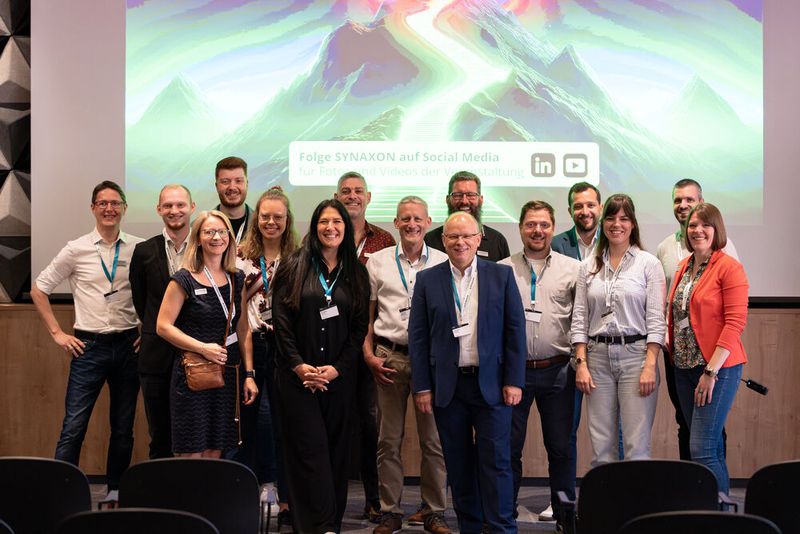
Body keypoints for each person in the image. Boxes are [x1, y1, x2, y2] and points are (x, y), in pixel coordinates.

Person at [410, 212, 526, 534]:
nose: (460, 242)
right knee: (459, 467)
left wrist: (514, 380)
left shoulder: (501, 276)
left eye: (466, 236)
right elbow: (418, 338)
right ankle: (470, 528)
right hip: (449, 389)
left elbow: (514, 331)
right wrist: (421, 387)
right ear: (443, 241)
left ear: (479, 239)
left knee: (497, 463)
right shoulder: (427, 280)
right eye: (452, 237)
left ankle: (503, 528)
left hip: (493, 386)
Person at [30, 180, 143, 502]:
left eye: (115, 203)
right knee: (74, 426)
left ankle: (115, 491)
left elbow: (156, 294)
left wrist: (146, 333)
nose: (109, 208)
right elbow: (40, 288)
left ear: (124, 207)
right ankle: (58, 493)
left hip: (127, 346)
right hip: (88, 347)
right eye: (102, 203)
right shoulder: (76, 248)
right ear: (93, 208)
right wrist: (56, 333)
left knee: (123, 428)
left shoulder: (138, 247)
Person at [272, 199, 370, 533]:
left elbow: (359, 329)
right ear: (314, 227)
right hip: (297, 379)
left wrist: (337, 369)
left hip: (338, 380)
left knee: (336, 453)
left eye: (337, 222)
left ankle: (330, 524)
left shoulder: (356, 271)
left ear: (346, 227)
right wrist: (300, 367)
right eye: (324, 222)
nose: (331, 228)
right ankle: (309, 524)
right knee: (307, 452)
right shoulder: (293, 265)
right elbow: (282, 326)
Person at [363, 196, 451, 534]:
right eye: (404, 219)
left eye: (417, 218)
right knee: (389, 439)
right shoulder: (379, 262)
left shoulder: (443, 262)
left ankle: (434, 511)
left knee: (434, 442)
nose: (411, 224)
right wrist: (369, 355)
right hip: (389, 357)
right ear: (396, 223)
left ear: (429, 222)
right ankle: (390, 511)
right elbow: (367, 319)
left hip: (430, 361)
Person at [499, 201, 579, 527]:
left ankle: (565, 517)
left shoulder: (573, 269)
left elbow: (582, 321)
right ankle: (504, 516)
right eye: (531, 224)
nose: (537, 231)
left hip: (559, 369)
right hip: (514, 374)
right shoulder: (502, 269)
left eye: (544, 224)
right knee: (508, 450)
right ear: (520, 227)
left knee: (561, 449)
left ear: (553, 227)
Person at [571, 194, 666, 465]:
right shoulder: (588, 265)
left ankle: (636, 508)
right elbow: (579, 317)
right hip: (597, 358)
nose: (617, 224)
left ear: (633, 223)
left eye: (624, 218)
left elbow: (656, 320)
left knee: (637, 447)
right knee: (602, 448)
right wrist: (581, 363)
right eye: (611, 218)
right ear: (603, 222)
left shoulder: (649, 264)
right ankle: (607, 507)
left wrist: (650, 365)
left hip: (636, 357)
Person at [156, 210, 258, 457]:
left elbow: (243, 328)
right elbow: (163, 326)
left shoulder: (236, 277)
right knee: (191, 451)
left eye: (222, 232)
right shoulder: (183, 279)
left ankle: (210, 497)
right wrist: (203, 348)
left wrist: (249, 374)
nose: (216, 237)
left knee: (217, 449)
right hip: (194, 374)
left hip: (227, 375)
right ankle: (188, 498)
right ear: (198, 238)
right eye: (209, 232)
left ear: (230, 238)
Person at [666, 203, 748, 494]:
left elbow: (735, 322)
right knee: (707, 446)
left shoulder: (728, 267)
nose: (698, 231)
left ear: (717, 229)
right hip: (684, 368)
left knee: (701, 450)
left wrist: (711, 371)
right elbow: (677, 313)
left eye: (705, 225)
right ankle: (717, 509)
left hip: (716, 369)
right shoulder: (683, 267)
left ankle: (718, 517)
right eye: (692, 226)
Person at [656, 178, 738, 460]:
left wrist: (712, 370)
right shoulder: (673, 255)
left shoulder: (727, 259)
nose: (683, 206)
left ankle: (717, 501)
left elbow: (734, 318)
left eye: (689, 200)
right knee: (690, 431)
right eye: (678, 200)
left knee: (707, 440)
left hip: (711, 361)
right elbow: (667, 301)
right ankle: (696, 494)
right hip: (680, 360)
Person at [334, 171, 395, 521]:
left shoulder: (384, 239)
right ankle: (333, 498)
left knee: (373, 424)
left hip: (370, 344)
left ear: (369, 197)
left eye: (358, 191)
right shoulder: (323, 234)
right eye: (346, 191)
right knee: (337, 421)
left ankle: (375, 498)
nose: (352, 196)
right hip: (332, 345)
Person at [235, 186, 297, 526]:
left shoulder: (299, 258)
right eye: (265, 216)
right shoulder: (240, 257)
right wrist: (247, 370)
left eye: (278, 217)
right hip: (253, 344)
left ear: (287, 221)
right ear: (256, 219)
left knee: (283, 421)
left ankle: (284, 495)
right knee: (251, 419)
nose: (271, 222)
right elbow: (241, 316)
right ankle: (254, 490)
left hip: (287, 349)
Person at [548, 181, 603, 521]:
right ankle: (562, 500)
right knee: (565, 433)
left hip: (608, 345)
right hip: (570, 350)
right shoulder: (556, 244)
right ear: (570, 210)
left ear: (599, 207)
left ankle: (610, 493)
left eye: (590, 205)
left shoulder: (613, 240)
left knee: (611, 428)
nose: (585, 211)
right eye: (578, 206)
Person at [130, 184, 196, 459]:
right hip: (156, 356)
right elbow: (142, 300)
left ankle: (188, 495)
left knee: (192, 431)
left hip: (196, 353)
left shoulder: (206, 246)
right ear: (159, 210)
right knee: (159, 432)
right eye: (167, 205)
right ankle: (160, 496)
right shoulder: (144, 251)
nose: (174, 210)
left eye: (180, 204)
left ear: (192, 207)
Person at [425, 170, 510, 262]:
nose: (464, 201)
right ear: (447, 199)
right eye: (457, 195)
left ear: (481, 200)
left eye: (471, 195)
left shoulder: (497, 241)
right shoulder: (429, 241)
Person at [214, 156, 252, 243]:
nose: (232, 187)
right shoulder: (199, 227)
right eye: (225, 181)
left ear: (247, 184)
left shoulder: (262, 226)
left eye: (238, 181)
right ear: (216, 186)